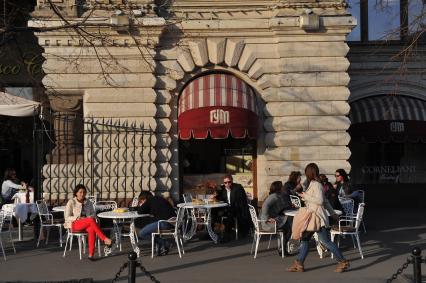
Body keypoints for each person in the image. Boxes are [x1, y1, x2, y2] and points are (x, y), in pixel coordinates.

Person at [287, 163, 349, 273]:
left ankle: (343, 261)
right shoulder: (313, 184)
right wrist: (333, 214)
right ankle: (299, 263)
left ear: (309, 173)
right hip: (312, 217)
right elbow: (325, 201)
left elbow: (320, 201)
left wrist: (305, 196)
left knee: (325, 241)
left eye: (306, 172)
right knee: (305, 239)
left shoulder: (316, 185)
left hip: (317, 218)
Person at [64, 184, 112, 261]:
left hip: (87, 223)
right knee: (90, 220)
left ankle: (91, 255)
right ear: (76, 193)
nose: (82, 194)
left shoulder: (88, 202)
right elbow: (67, 217)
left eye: (84, 192)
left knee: (91, 229)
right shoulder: (71, 202)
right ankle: (104, 239)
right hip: (74, 224)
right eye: (80, 192)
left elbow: (93, 214)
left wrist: (88, 218)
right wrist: (78, 218)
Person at [137, 191, 176, 256]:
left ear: (144, 199)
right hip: (173, 222)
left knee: (142, 233)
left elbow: (140, 211)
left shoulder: (149, 200)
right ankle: (160, 249)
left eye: (141, 201)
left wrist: (142, 205)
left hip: (164, 223)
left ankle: (166, 243)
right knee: (152, 226)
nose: (141, 203)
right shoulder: (159, 198)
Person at [215, 174, 251, 241]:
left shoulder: (238, 188)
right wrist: (215, 196)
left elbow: (240, 202)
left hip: (238, 209)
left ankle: (226, 235)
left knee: (229, 214)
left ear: (232, 181)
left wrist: (230, 207)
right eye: (225, 183)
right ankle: (211, 233)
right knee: (213, 212)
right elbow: (219, 197)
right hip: (227, 209)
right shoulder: (222, 189)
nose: (227, 184)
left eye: (229, 182)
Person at [260, 181, 292, 249]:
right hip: (268, 223)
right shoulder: (273, 196)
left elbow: (281, 206)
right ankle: (283, 247)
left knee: (289, 222)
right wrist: (267, 219)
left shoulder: (278, 195)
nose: (283, 187)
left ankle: (283, 246)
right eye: (282, 186)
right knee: (290, 225)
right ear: (279, 188)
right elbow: (265, 205)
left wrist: (290, 206)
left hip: (274, 219)